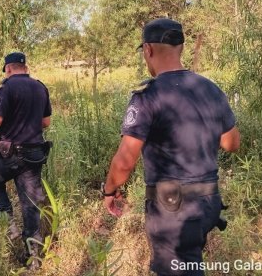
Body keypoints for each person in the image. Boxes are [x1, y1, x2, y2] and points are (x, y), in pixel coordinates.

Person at [101, 18, 240, 276]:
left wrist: (109, 190)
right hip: (209, 202)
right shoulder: (211, 89)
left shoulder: (147, 95)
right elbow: (231, 143)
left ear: (148, 50)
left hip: (173, 209)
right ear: (181, 48)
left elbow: (124, 162)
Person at [0, 52, 52, 269]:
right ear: (25, 67)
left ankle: (9, 222)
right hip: (34, 153)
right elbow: (46, 122)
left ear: (8, 69)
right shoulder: (40, 87)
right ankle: (34, 258)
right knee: (30, 203)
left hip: (9, 152)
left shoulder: (5, 88)